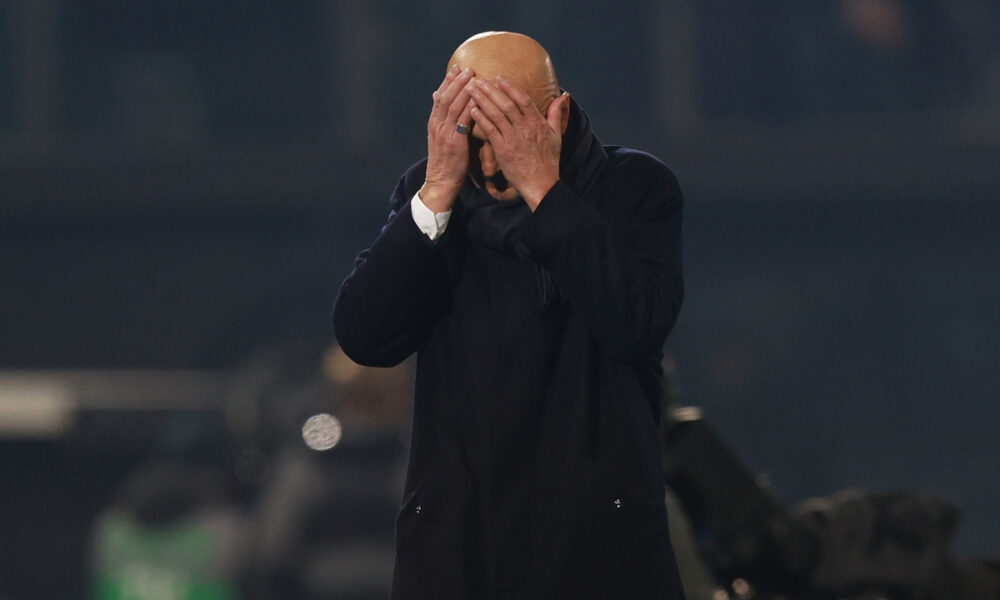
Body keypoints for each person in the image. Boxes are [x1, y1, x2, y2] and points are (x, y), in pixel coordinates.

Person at [333, 31, 686, 599]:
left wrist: (545, 188)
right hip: (460, 546)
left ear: (559, 112)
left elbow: (635, 323)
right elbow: (365, 336)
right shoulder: (432, 196)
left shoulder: (632, 188)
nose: (492, 165)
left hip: (593, 550)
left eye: (507, 131)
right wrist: (438, 187)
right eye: (474, 136)